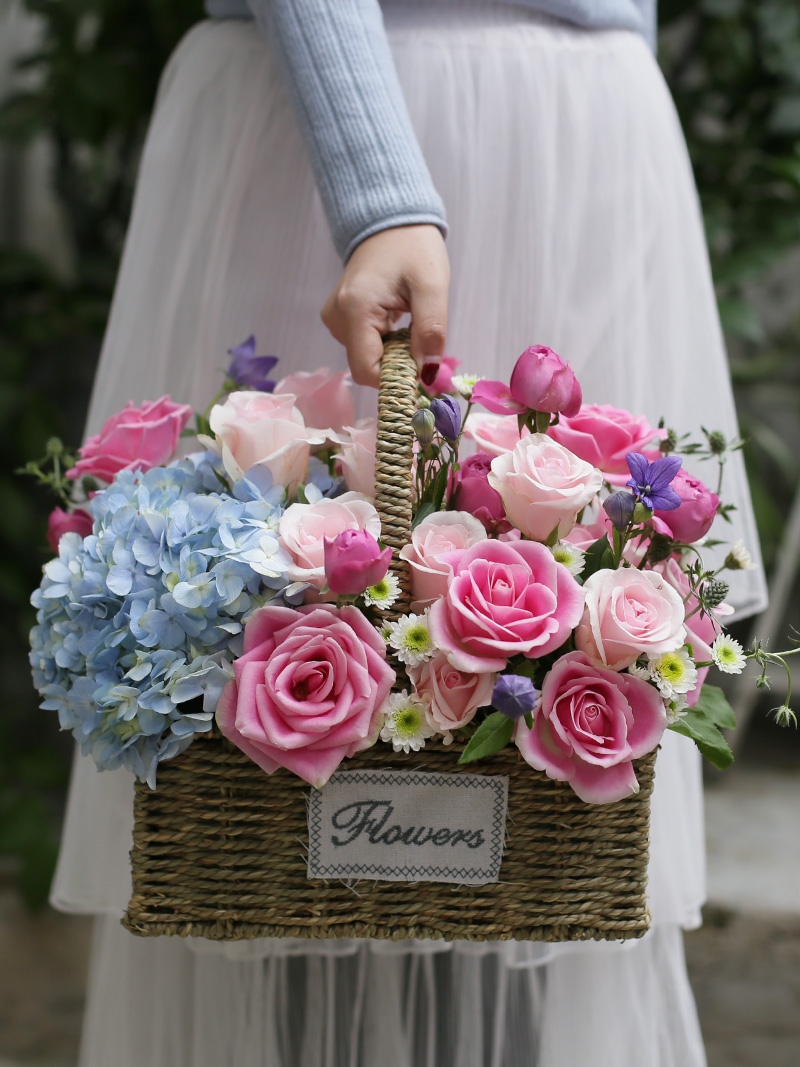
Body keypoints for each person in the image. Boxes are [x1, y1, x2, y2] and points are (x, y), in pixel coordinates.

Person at [50, 2, 767, 1065]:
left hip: (578, 136)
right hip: (346, 104)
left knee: (546, 826)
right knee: (271, 748)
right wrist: (376, 191)